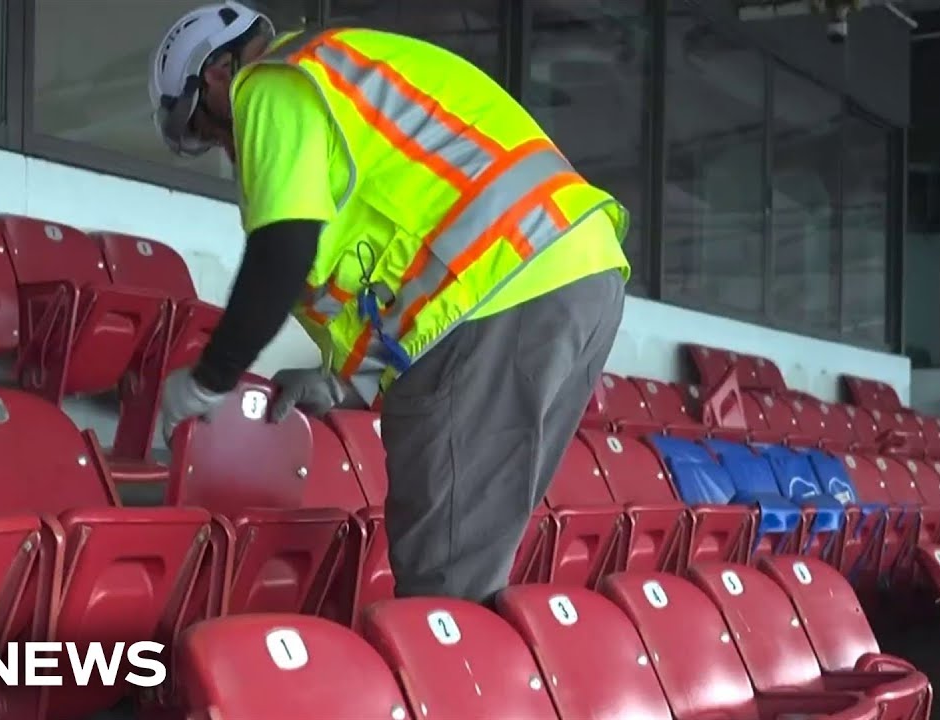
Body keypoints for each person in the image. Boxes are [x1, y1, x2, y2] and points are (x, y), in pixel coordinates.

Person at [150, 1, 629, 605]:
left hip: (497, 295)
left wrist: (208, 380)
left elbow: (283, 252)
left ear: (216, 76)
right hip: (579, 271)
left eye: (209, 129)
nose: (226, 147)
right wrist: (345, 380)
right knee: (472, 564)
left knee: (443, 588)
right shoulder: (346, 71)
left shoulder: (274, 84)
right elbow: (404, 250)